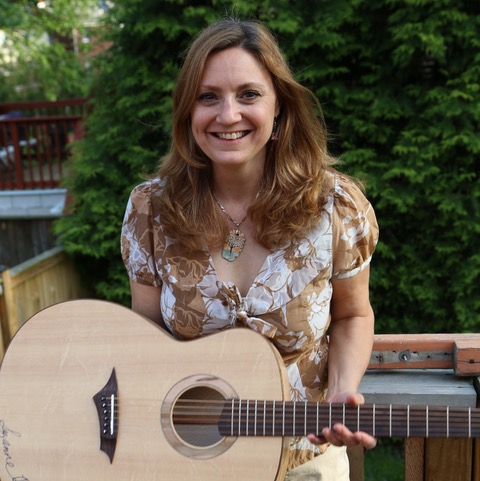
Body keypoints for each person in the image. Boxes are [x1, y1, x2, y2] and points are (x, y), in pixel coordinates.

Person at [121, 17, 379, 480]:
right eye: (208, 97)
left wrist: (343, 390)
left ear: (279, 108)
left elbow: (353, 315)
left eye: (249, 94)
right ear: (187, 112)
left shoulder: (336, 206)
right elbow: (144, 332)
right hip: (185, 462)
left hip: (305, 461)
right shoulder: (151, 208)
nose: (227, 114)